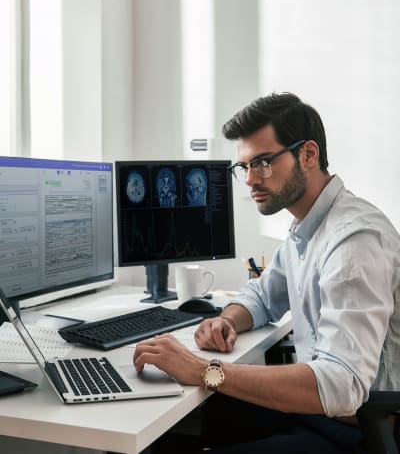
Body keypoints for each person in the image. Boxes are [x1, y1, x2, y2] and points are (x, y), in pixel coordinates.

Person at [134, 92, 400, 453]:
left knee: (201, 400)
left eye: (262, 163)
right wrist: (227, 320)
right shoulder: (304, 228)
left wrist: (204, 371)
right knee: (184, 421)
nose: (249, 180)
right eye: (244, 167)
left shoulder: (353, 240)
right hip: (320, 413)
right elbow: (261, 295)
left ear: (308, 154)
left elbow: (342, 386)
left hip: (361, 430)